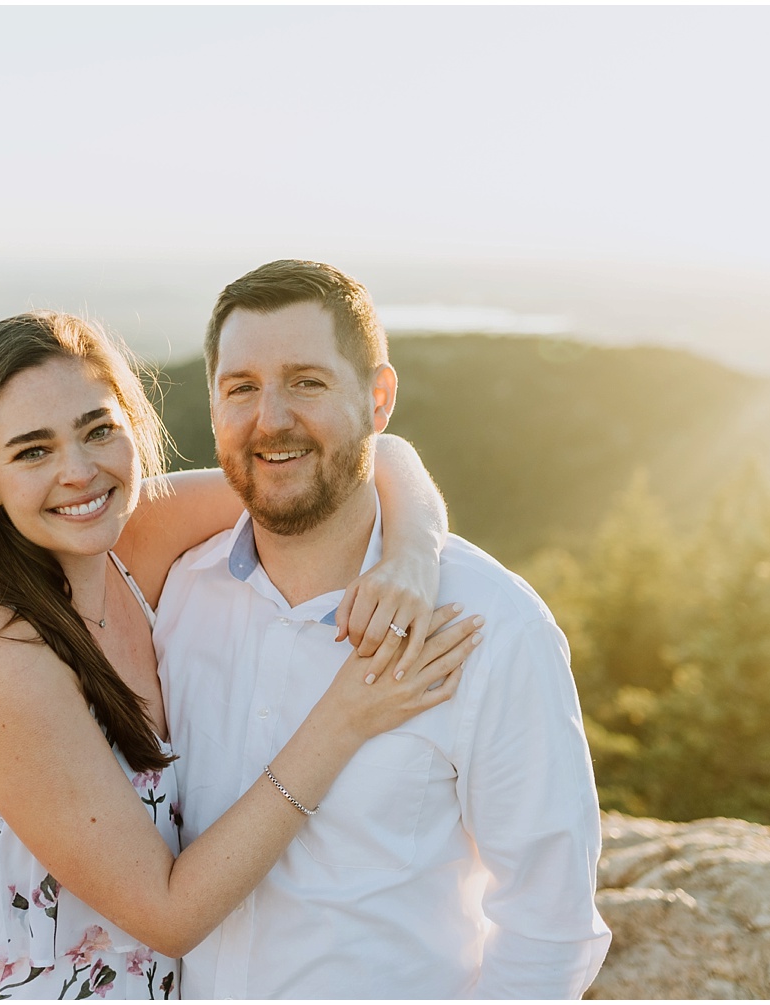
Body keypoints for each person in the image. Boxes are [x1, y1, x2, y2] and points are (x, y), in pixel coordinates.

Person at [0, 310, 482, 999]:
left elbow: (371, 458)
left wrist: (411, 556)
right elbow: (170, 914)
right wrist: (345, 717)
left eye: (98, 430)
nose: (79, 473)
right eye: (32, 451)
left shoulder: (125, 541)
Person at [155, 260, 612, 999]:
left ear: (378, 397)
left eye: (307, 381)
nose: (270, 418)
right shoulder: (178, 597)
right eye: (241, 387)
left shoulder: (491, 624)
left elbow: (549, 924)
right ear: (213, 406)